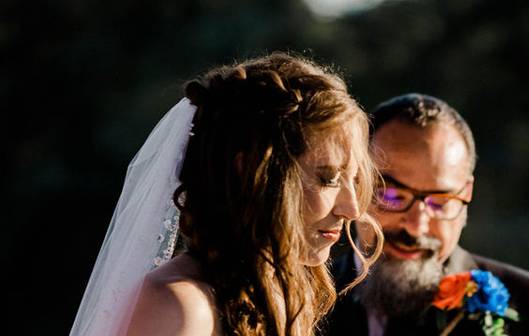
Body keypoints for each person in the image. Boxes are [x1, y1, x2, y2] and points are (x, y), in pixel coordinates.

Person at [71, 52, 383, 336]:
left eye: (353, 180)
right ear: (251, 173)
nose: (352, 209)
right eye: (327, 178)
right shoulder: (177, 307)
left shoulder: (278, 294)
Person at [325, 93, 529, 336]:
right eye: (392, 196)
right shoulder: (301, 298)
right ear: (358, 183)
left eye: (439, 202)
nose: (417, 226)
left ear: (467, 193)